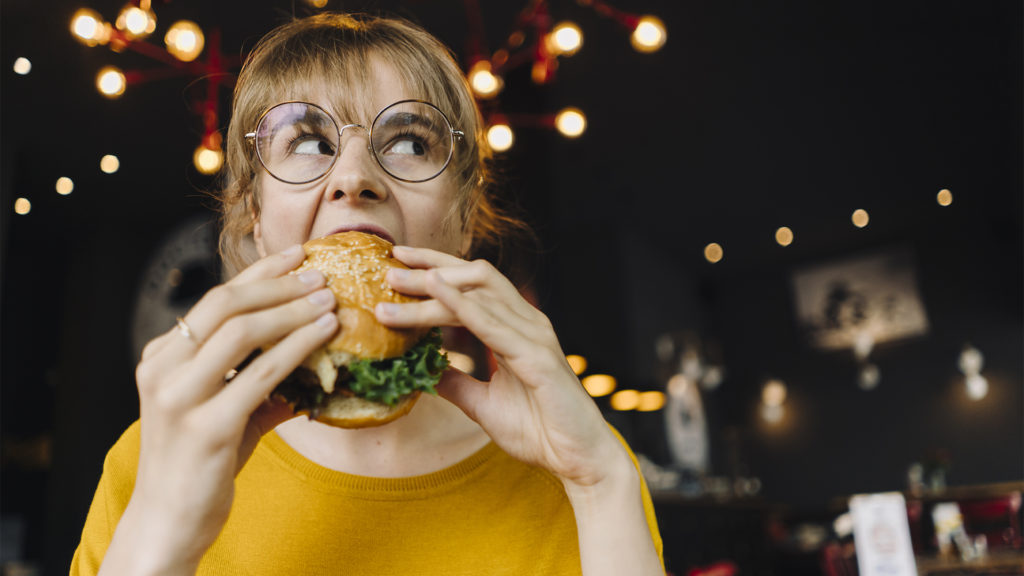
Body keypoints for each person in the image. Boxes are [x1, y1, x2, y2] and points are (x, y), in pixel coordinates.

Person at [71, 12, 664, 575]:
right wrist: (160, 533)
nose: (354, 177)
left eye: (409, 142)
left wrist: (601, 482)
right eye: (307, 142)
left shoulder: (582, 466)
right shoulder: (155, 457)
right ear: (256, 216)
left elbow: (599, 481)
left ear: (461, 221)